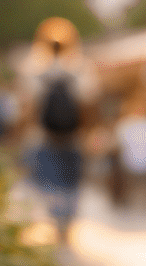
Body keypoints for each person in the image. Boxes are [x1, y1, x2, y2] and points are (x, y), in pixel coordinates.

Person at [20, 17, 98, 246]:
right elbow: (89, 105)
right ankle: (67, 223)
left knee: (49, 180)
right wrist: (90, 132)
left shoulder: (35, 70)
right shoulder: (80, 68)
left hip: (44, 136)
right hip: (73, 136)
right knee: (71, 181)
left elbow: (29, 107)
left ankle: (57, 221)